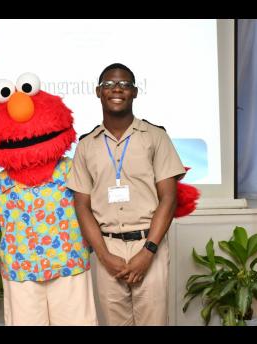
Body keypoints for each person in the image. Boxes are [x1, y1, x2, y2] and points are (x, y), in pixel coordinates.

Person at [66, 63, 186, 326]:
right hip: (106, 248)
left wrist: (148, 252)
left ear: (135, 92)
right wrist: (104, 255)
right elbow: (82, 206)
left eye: (124, 84)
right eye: (108, 85)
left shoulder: (156, 137)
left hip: (149, 244)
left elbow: (169, 197)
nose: (116, 89)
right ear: (98, 92)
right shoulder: (86, 145)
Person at [0, 72, 97, 325]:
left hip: (69, 265)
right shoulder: (2, 182)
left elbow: (97, 206)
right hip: (21, 270)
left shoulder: (70, 169)